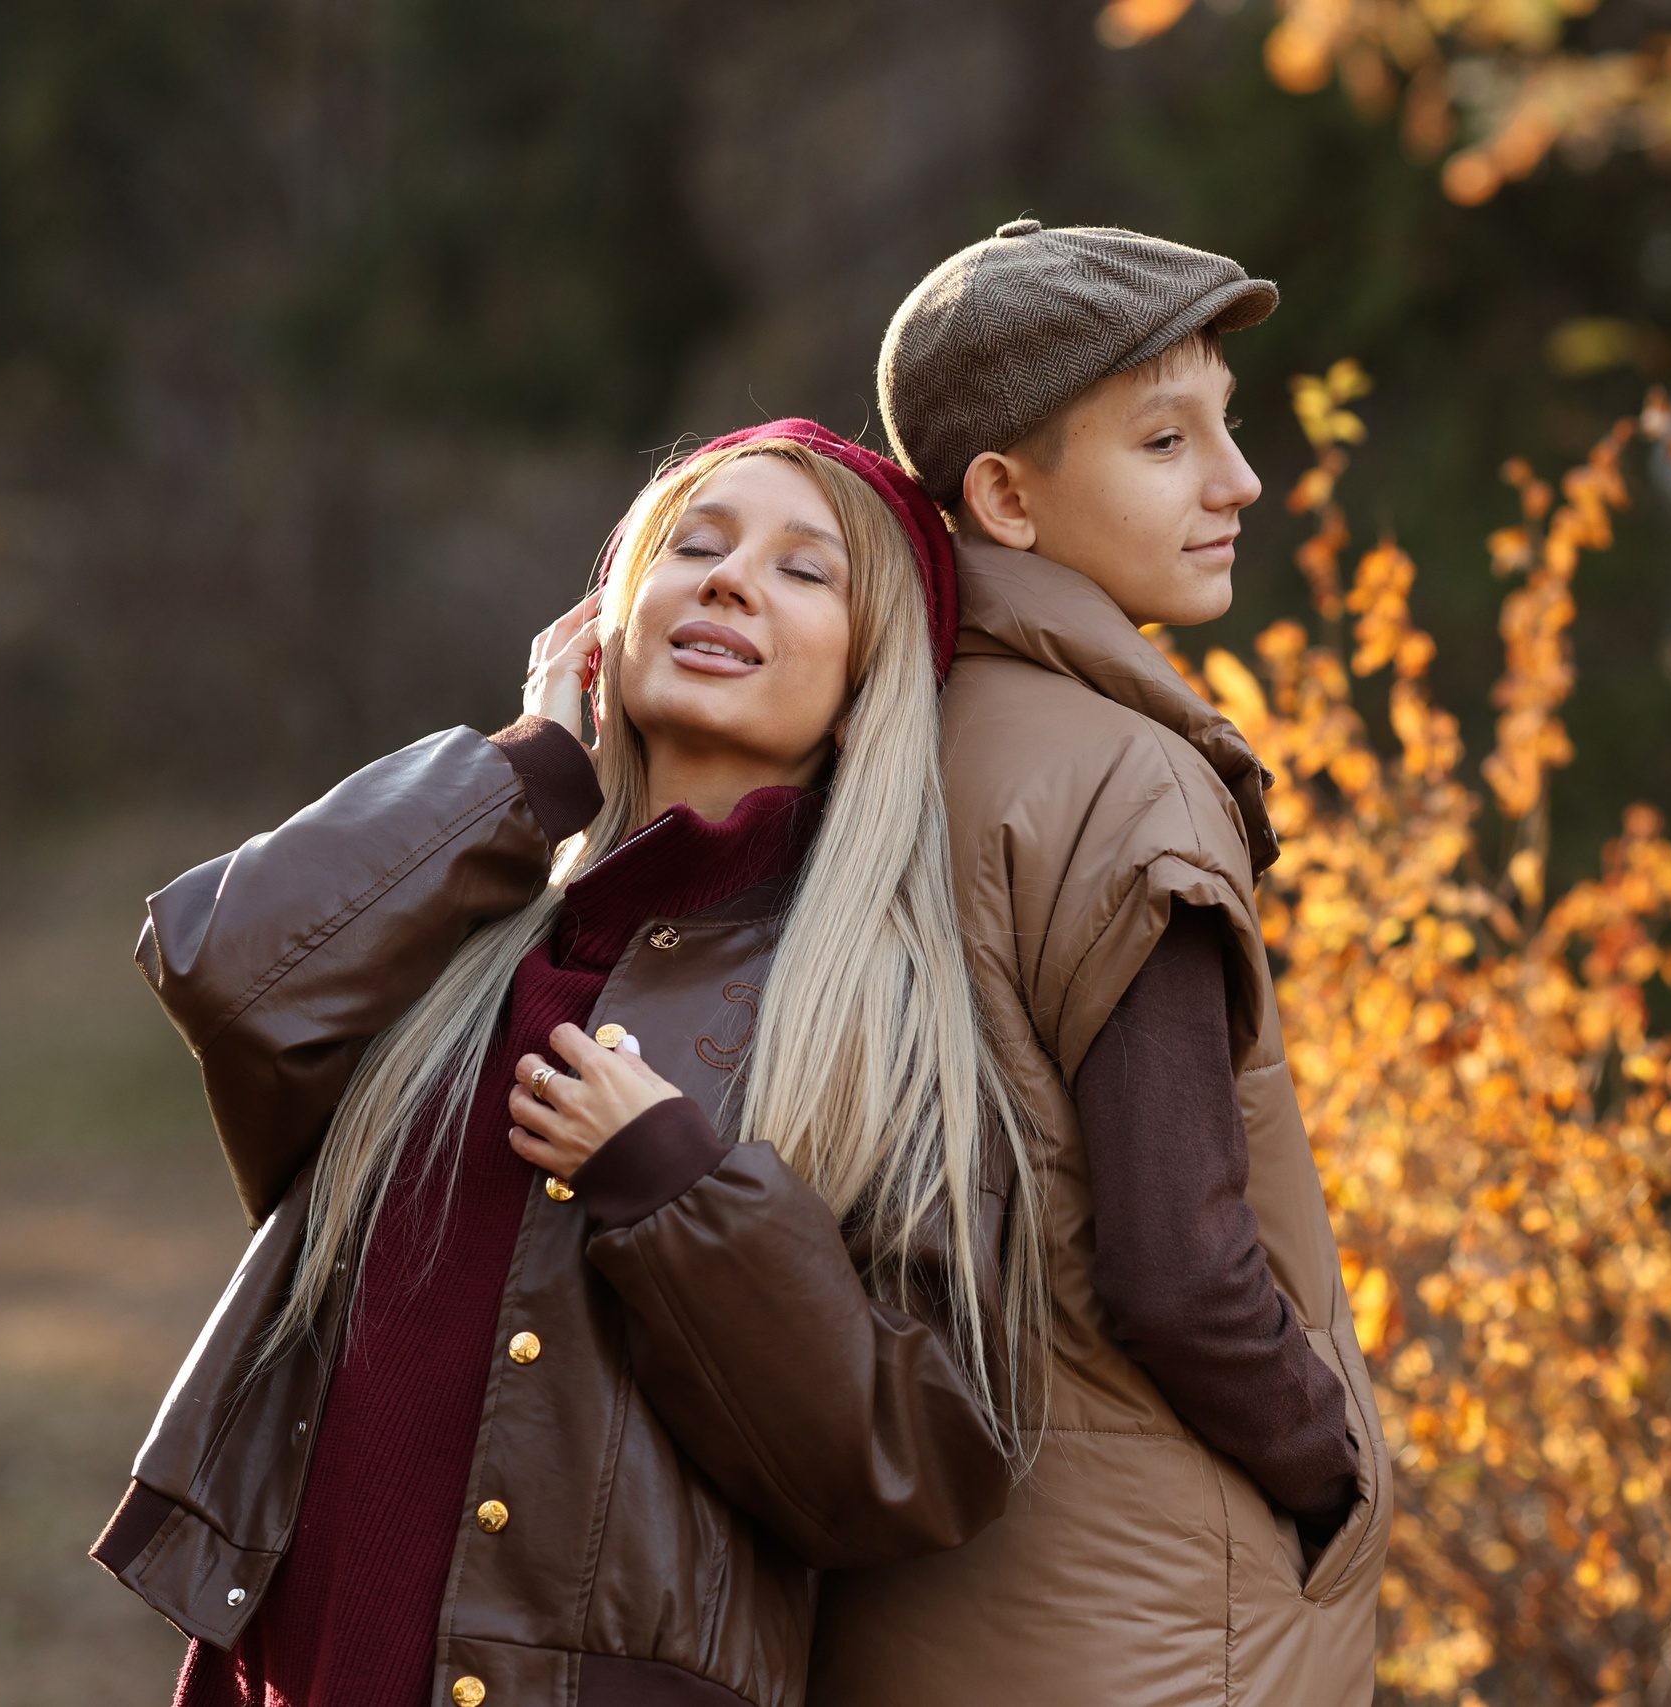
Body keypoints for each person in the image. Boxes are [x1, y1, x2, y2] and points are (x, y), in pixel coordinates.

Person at [89, 419, 1041, 1707]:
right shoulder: (453, 940)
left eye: (806, 569)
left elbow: (917, 1459)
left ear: (876, 673)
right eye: (694, 545)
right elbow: (229, 969)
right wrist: (526, 771)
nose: (729, 578)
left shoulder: (894, 1027)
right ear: (607, 619)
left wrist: (681, 1200)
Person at [806, 222, 1390, 1705]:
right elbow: (1180, 1272)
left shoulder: (870, 744)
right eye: (1164, 440)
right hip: (1154, 1625)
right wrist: (1331, 1472)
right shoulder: (1131, 786)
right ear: (1004, 495)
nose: (1237, 481)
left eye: (1227, 429)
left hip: (911, 1579)